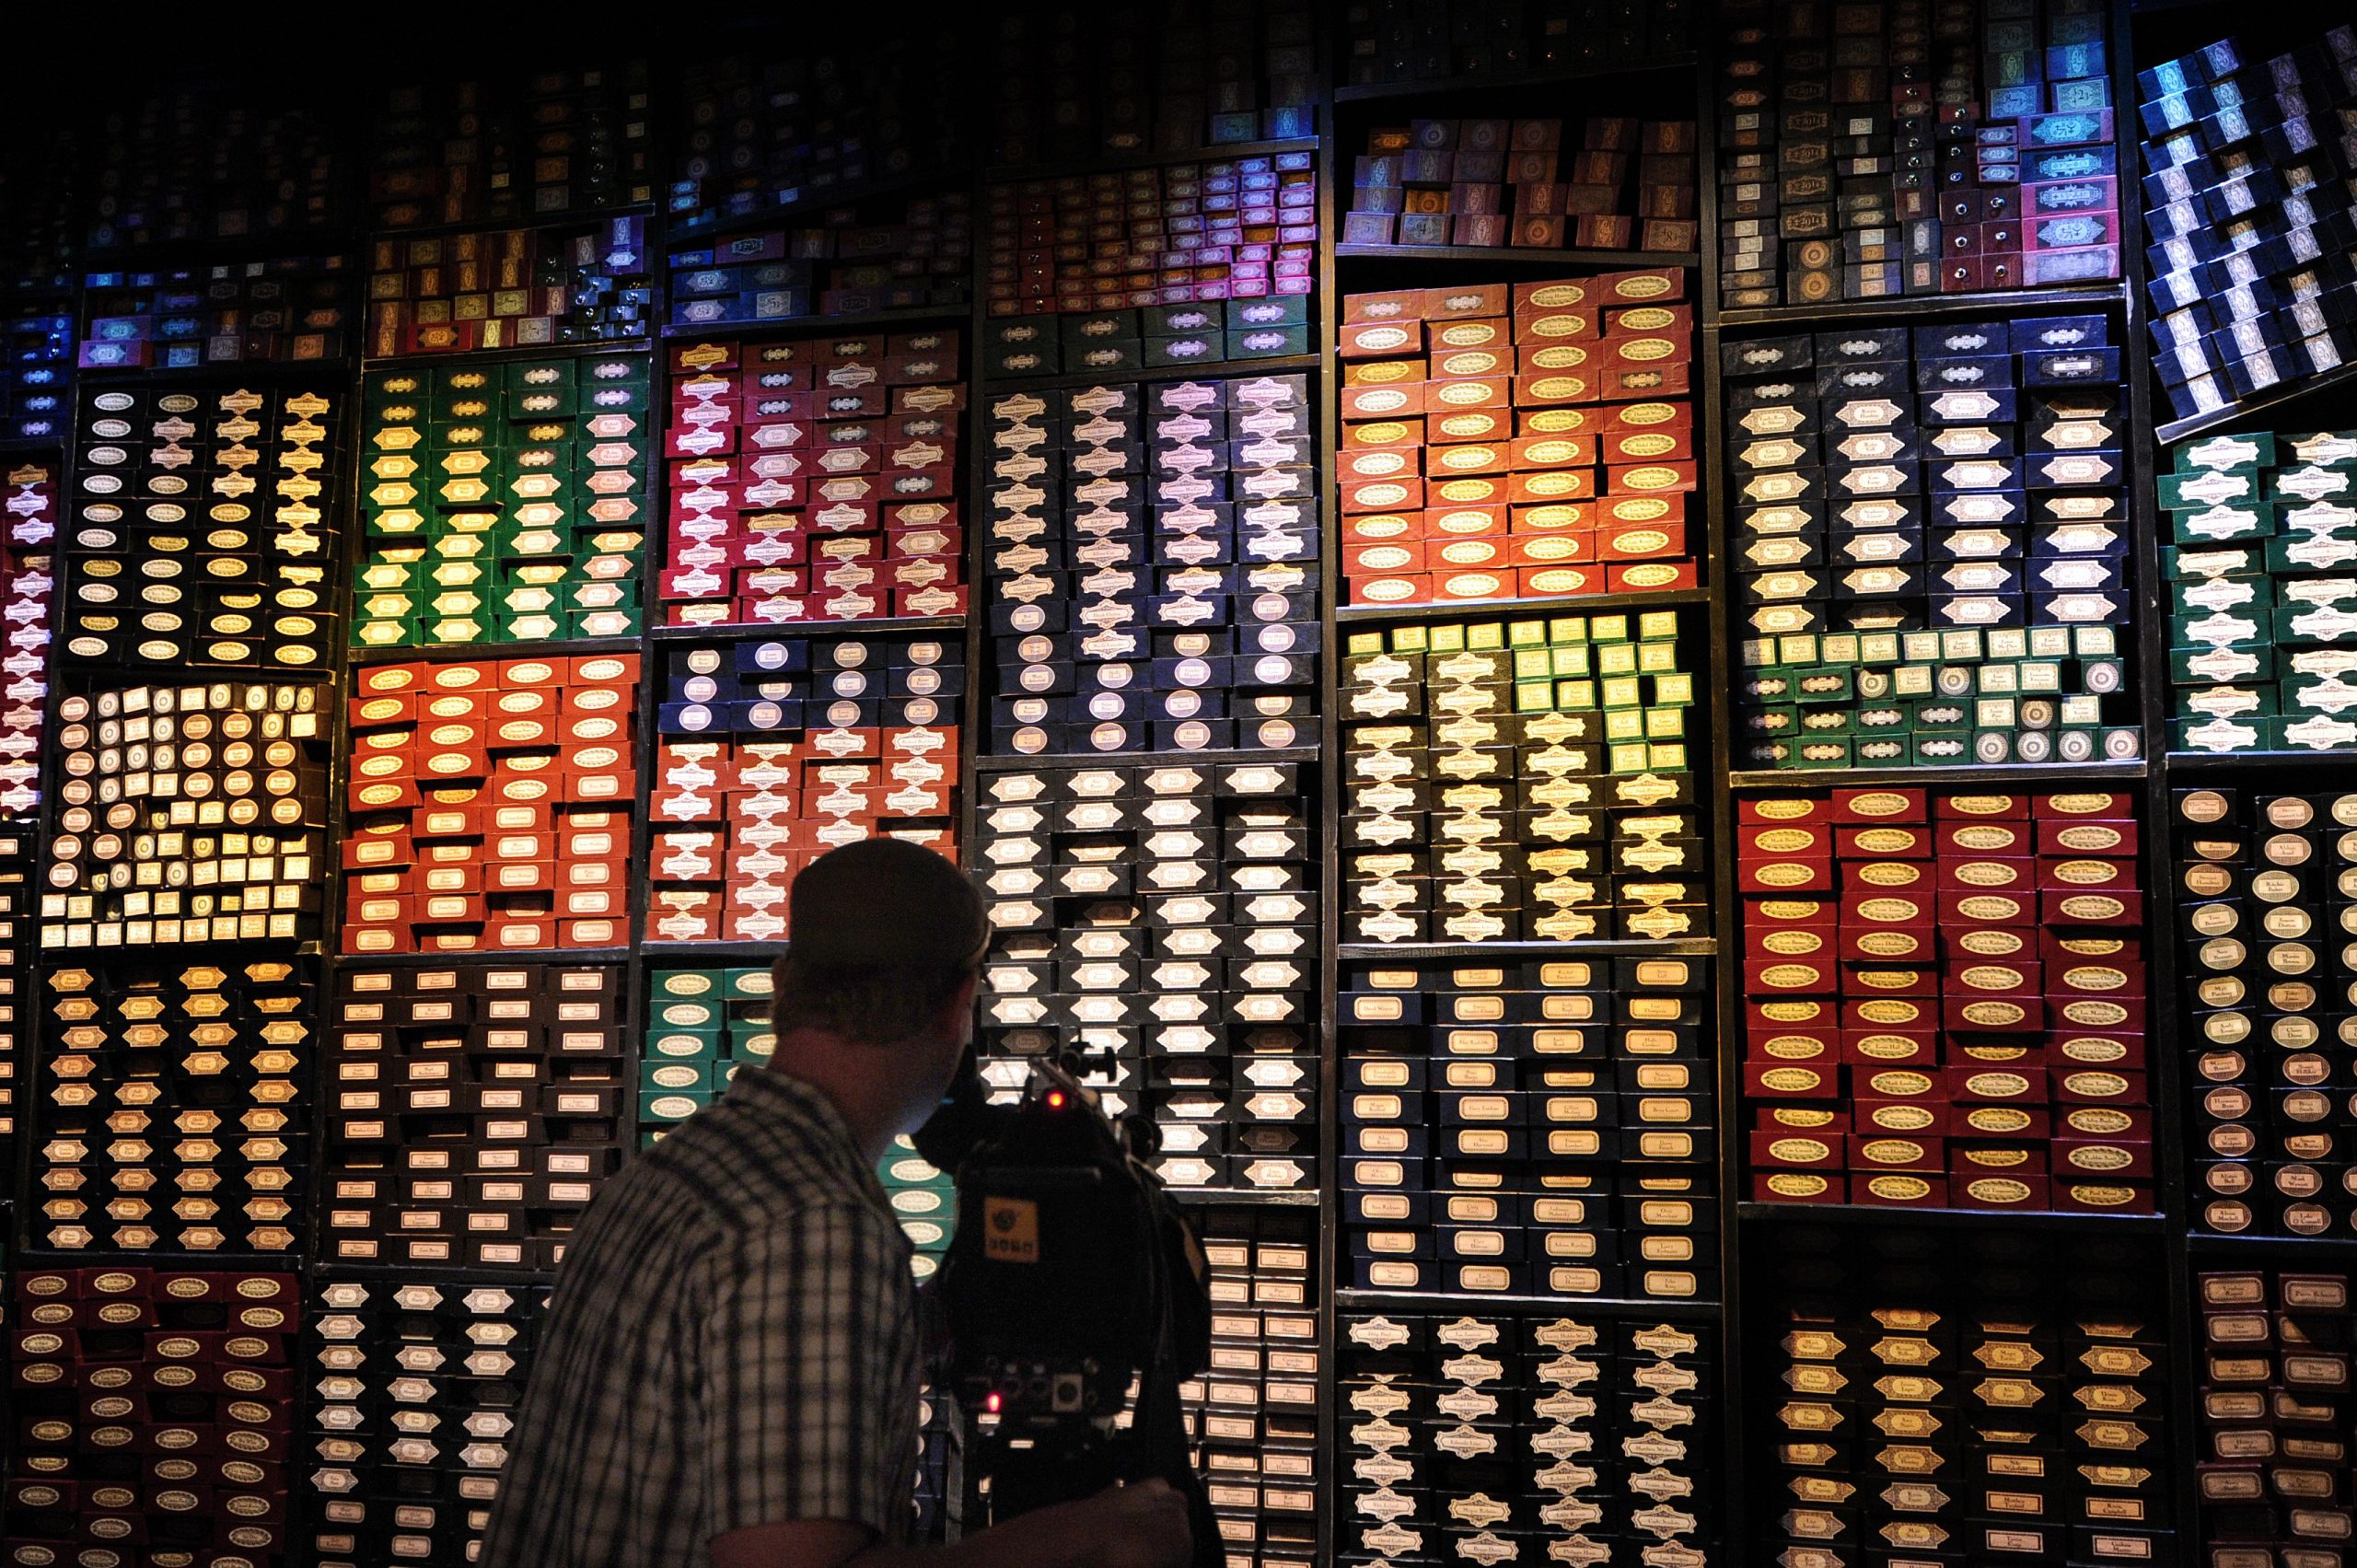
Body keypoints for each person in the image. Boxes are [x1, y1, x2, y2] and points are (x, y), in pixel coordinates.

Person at [480, 838, 1194, 1568]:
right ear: (958, 1005)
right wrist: (1083, 1538)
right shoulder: (818, 1227)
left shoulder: (671, 1171)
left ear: (783, 984)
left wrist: (955, 1311)